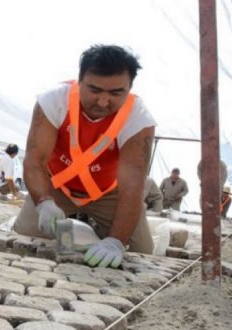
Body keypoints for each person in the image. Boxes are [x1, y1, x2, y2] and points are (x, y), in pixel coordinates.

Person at [13, 44, 156, 268]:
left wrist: (116, 241)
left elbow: (133, 185)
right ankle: (23, 223)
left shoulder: (139, 118)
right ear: (79, 81)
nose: (102, 101)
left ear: (129, 89)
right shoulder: (53, 101)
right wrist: (43, 202)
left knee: (143, 252)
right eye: (94, 90)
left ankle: (96, 236)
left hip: (109, 193)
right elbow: (34, 160)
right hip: (55, 187)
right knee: (23, 239)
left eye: (116, 93)